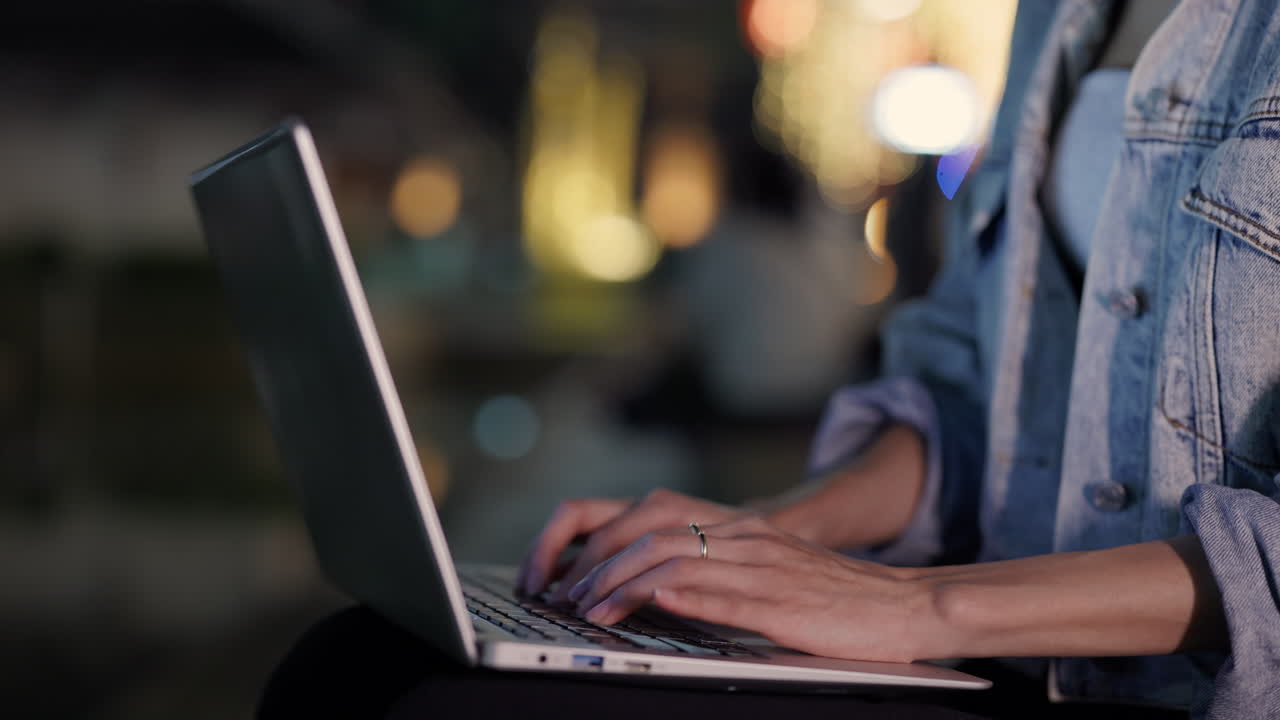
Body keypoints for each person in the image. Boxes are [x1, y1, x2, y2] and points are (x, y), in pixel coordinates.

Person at [261, 1, 1280, 718]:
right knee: (355, 660)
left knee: (426, 702)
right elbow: (974, 394)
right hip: (1011, 660)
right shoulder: (1054, 15)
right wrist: (749, 538)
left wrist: (909, 607)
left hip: (1174, 688)